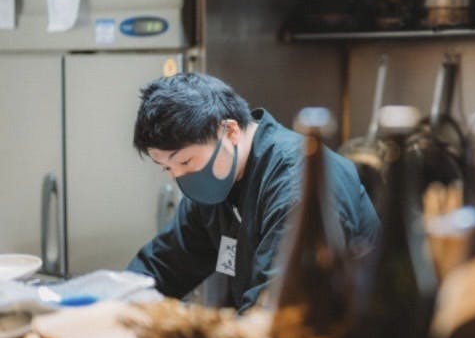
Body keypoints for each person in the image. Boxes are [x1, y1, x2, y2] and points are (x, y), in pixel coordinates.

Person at [127, 73, 379, 311]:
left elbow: (276, 309)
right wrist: (122, 301)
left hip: (344, 335)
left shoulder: (296, 186)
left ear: (230, 131)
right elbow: (162, 265)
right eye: (166, 168)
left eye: (184, 161)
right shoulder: (216, 183)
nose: (178, 175)